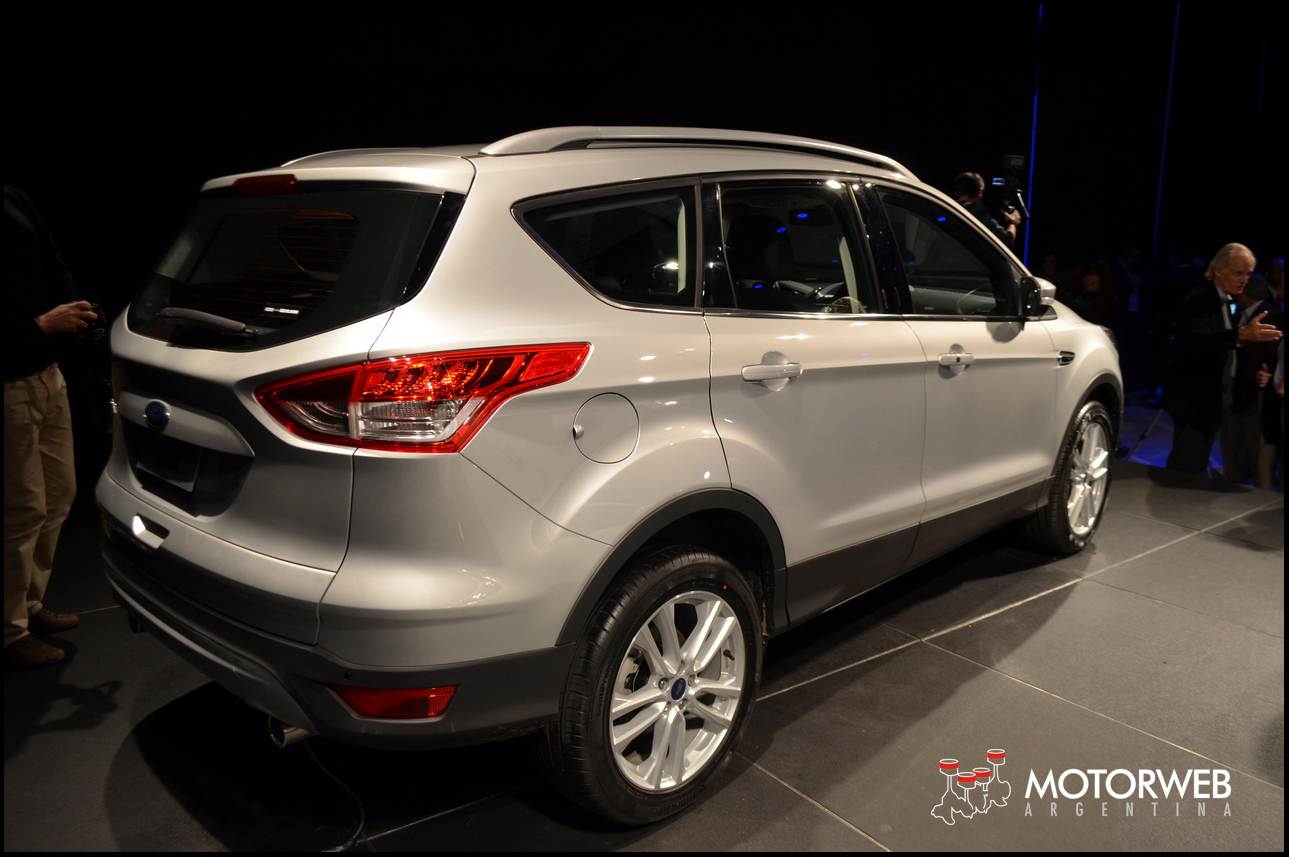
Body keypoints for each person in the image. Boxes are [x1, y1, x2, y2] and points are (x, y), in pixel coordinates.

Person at [4, 186, 94, 669]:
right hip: (8, 385)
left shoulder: (13, 198)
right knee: (20, 510)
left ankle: (28, 604)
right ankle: (8, 630)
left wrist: (72, 312)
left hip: (45, 374)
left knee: (59, 496)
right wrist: (40, 326)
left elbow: (53, 262)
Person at [1161, 243, 1283, 477]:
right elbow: (1198, 341)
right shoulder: (1201, 299)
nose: (1245, 280)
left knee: (1195, 467)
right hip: (1194, 401)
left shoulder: (1225, 299)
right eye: (1239, 273)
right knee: (1184, 470)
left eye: (1248, 274)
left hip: (1209, 402)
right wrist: (1240, 335)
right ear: (1218, 270)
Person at [952, 172, 1020, 247]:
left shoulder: (952, 208)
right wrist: (1012, 222)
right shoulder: (975, 209)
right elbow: (1007, 240)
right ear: (980, 192)